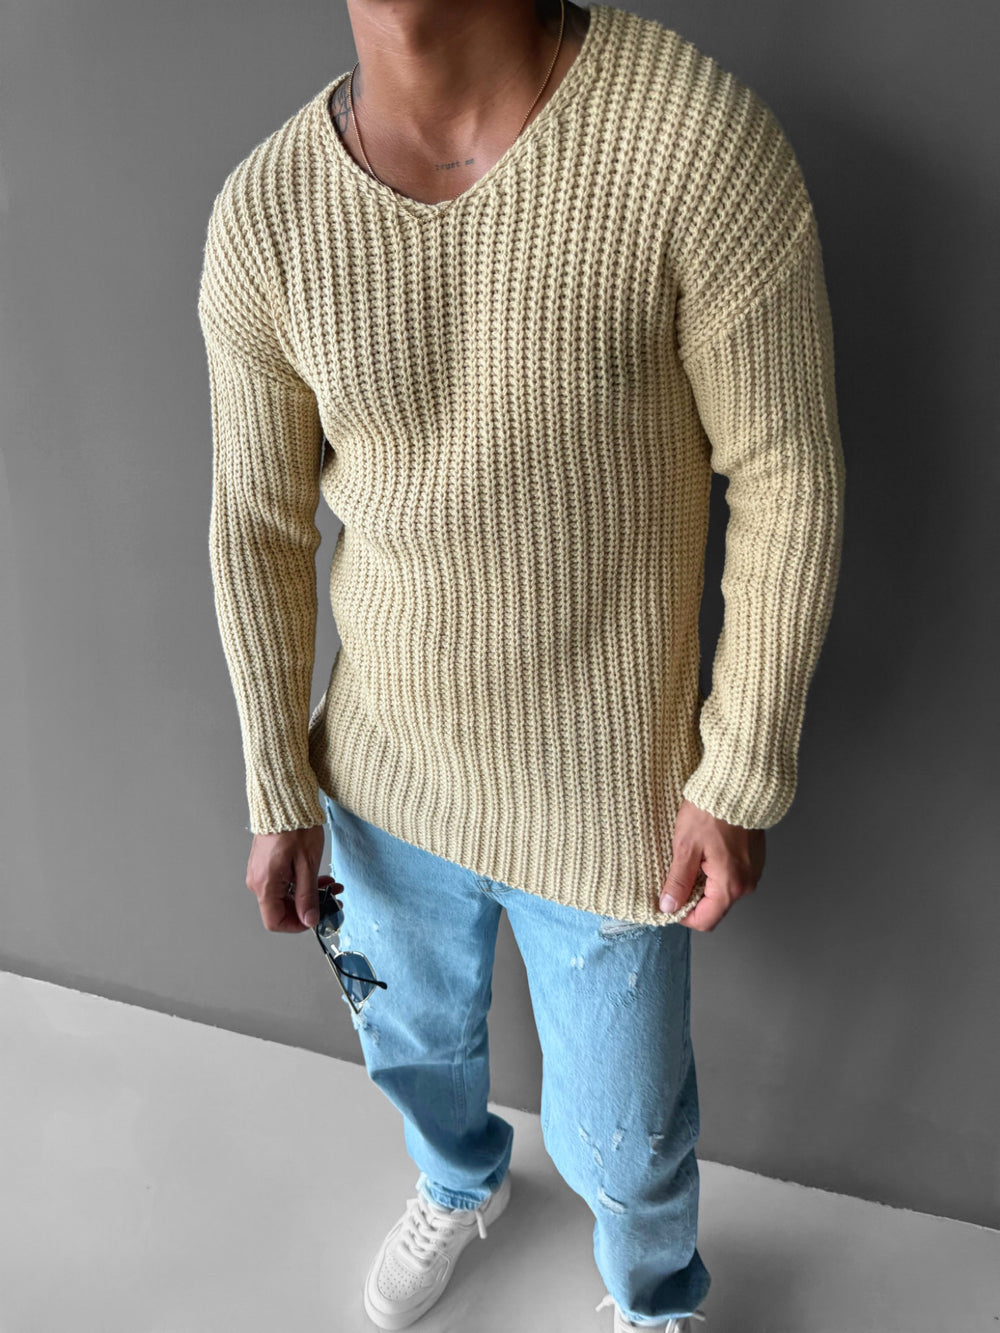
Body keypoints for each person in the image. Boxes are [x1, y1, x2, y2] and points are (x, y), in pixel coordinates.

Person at [196, 1, 846, 1328]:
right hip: (379, 781)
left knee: (626, 1137)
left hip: (609, 803)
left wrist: (739, 769)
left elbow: (788, 477)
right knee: (413, 1052)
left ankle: (652, 1299)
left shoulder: (690, 142)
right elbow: (258, 525)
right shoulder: (267, 217)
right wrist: (277, 781)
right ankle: (460, 1176)